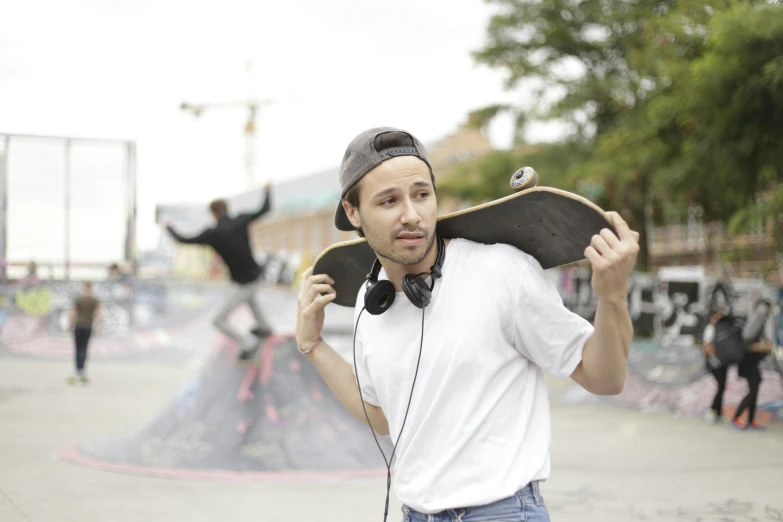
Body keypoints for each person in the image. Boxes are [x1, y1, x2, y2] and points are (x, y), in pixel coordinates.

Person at [295, 127, 639, 521]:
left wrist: (612, 298)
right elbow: (382, 416)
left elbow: (605, 378)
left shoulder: (500, 270)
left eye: (422, 195)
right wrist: (313, 345)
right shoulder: (370, 303)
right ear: (353, 212)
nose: (411, 214)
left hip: (502, 512)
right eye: (389, 201)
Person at [166, 183, 274, 360]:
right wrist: (268, 191)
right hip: (255, 275)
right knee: (251, 300)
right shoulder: (241, 220)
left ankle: (248, 343)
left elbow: (184, 239)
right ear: (226, 209)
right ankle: (266, 327)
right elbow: (266, 209)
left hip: (242, 283)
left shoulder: (213, 233)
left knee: (218, 320)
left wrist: (169, 227)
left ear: (213, 213)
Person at [731, 299, 774, 430]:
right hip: (748, 362)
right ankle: (736, 418)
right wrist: (761, 347)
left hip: (752, 362)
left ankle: (750, 420)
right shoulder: (754, 322)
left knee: (754, 390)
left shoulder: (758, 322)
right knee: (753, 390)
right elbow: (746, 343)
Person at [67, 281, 101, 384]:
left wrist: (70, 324)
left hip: (79, 326)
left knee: (78, 348)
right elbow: (99, 314)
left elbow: (73, 312)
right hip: (88, 327)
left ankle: (78, 369)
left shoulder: (79, 299)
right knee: (84, 348)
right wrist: (99, 326)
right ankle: (81, 369)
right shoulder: (94, 300)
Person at [702, 309, 729, 423]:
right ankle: (712, 411)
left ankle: (718, 412)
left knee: (722, 387)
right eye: (718, 314)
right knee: (720, 386)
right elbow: (707, 346)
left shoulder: (723, 328)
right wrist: (713, 358)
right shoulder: (711, 328)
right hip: (715, 362)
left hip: (723, 362)